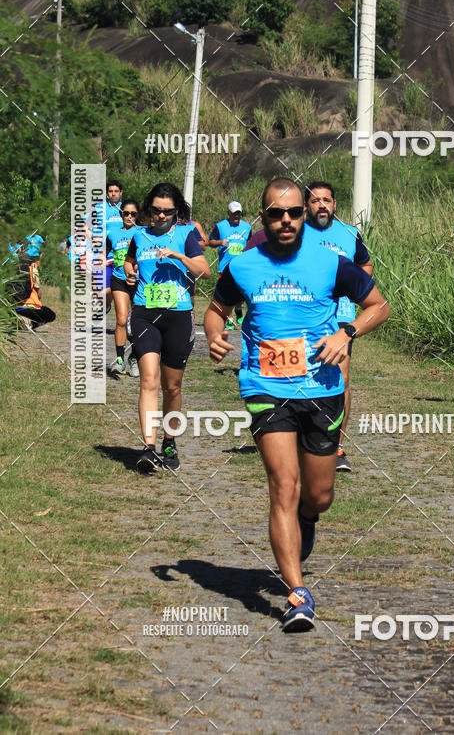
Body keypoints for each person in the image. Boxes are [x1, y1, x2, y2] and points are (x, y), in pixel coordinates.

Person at [204, 178, 389, 632]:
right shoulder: (243, 266)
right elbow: (215, 310)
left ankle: (308, 517)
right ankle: (298, 593)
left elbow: (378, 306)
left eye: (293, 212)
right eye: (276, 213)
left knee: (318, 496)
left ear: (303, 215)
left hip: (321, 388)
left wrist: (346, 333)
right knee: (283, 486)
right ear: (262, 218)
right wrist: (213, 335)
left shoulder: (331, 262)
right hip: (265, 388)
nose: (285, 220)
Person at [124, 183, 210, 474]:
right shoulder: (139, 235)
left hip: (178, 316)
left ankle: (169, 441)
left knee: (171, 387)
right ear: (149, 209)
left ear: (177, 212)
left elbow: (204, 271)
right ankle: (148, 448)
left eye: (168, 212)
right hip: (145, 314)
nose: (161, 216)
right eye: (156, 210)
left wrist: (178, 257)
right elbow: (130, 260)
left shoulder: (186, 235)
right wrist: (130, 271)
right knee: (148, 379)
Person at [304, 181, 373, 473]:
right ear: (306, 206)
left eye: (327, 200)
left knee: (340, 379)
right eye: (315, 200)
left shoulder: (349, 234)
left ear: (334, 205)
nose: (322, 205)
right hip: (303, 314)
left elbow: (366, 265)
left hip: (341, 317)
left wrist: (355, 288)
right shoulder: (296, 232)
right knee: (300, 374)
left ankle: (336, 447)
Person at [107, 199, 141, 377]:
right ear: (121, 214)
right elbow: (103, 253)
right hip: (119, 279)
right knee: (121, 319)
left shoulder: (142, 232)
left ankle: (134, 358)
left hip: (139, 282)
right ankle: (120, 360)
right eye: (126, 213)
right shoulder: (112, 233)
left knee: (137, 322)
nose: (129, 217)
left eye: (133, 214)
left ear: (138, 215)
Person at [208, 201, 252, 328]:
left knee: (241, 292)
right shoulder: (220, 226)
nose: (236, 216)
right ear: (228, 213)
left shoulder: (247, 227)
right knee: (226, 293)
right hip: (225, 266)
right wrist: (220, 242)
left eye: (238, 213)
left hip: (241, 266)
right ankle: (229, 319)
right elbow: (210, 242)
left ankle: (238, 310)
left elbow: (250, 243)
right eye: (234, 213)